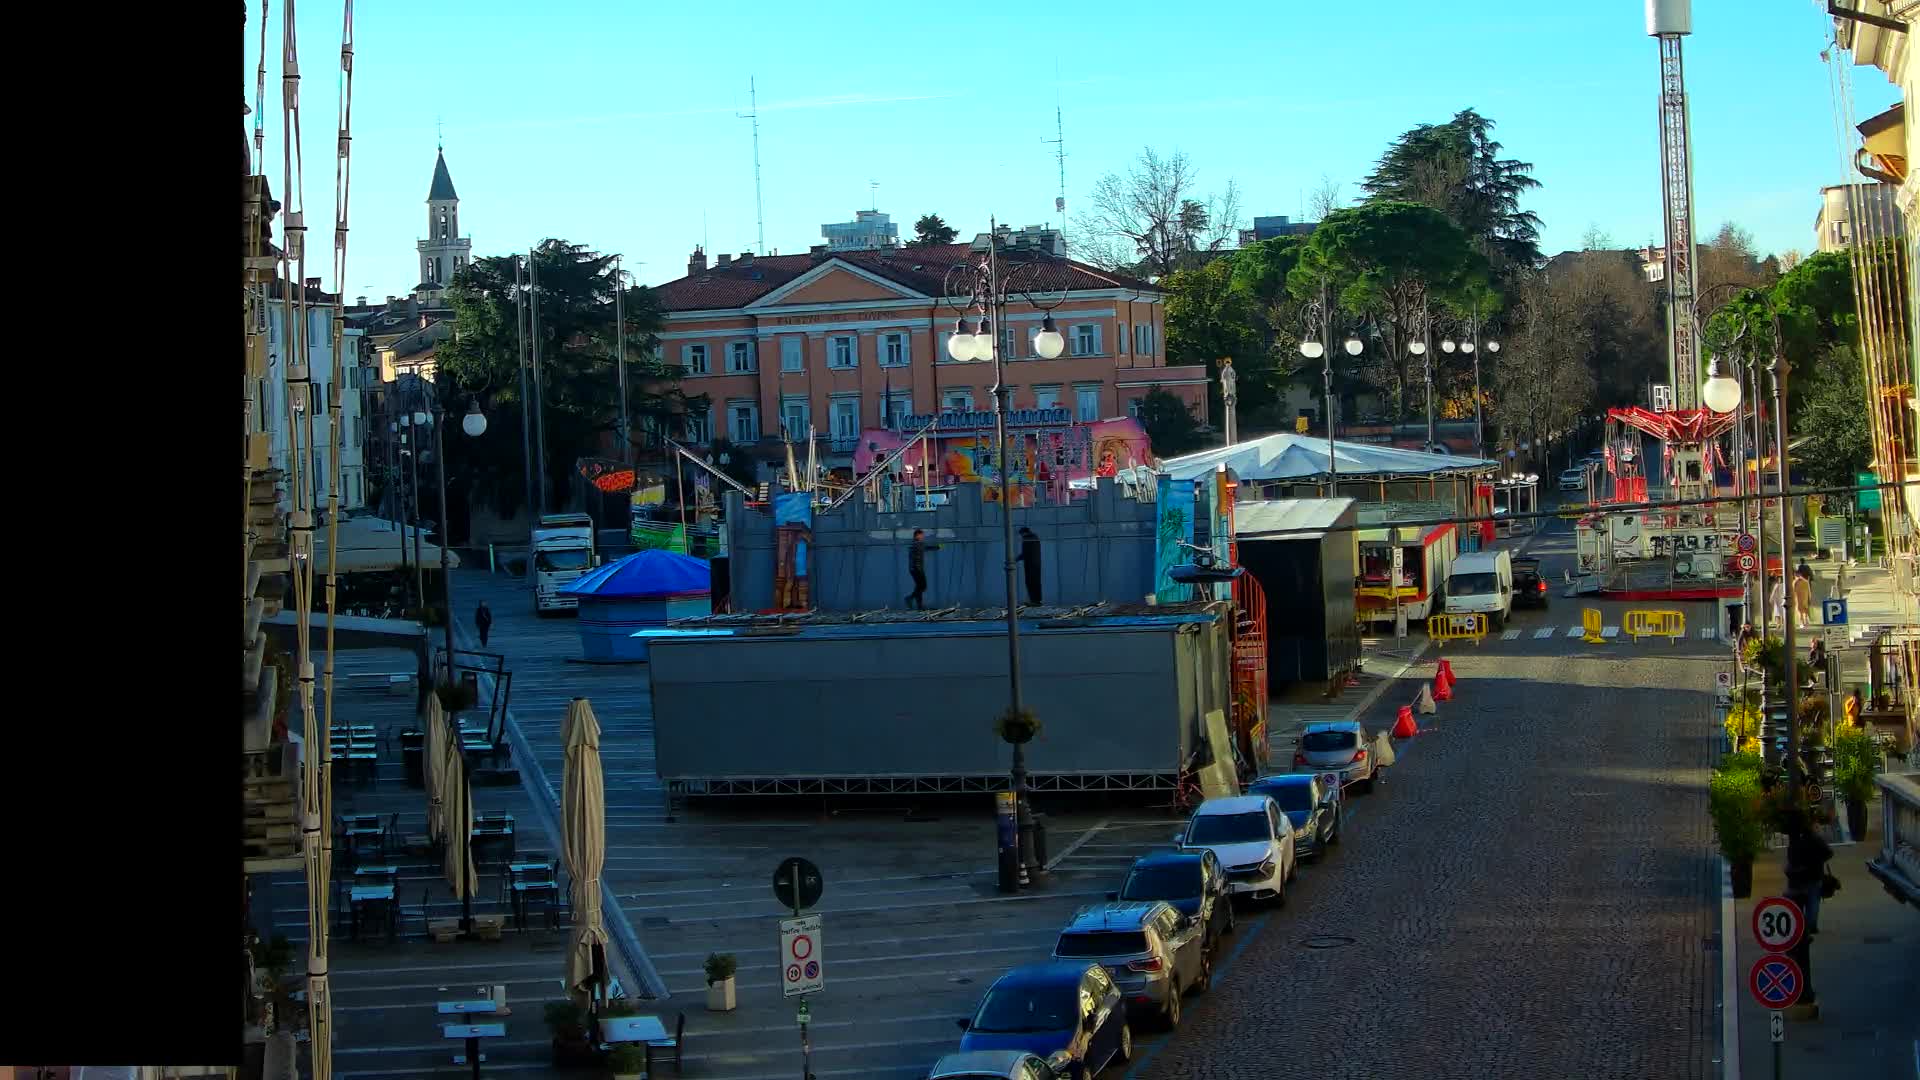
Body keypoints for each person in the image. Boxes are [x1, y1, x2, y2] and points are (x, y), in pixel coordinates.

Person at [1782, 807, 1834, 935]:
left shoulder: (1796, 842)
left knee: (1799, 901)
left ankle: (1800, 925)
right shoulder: (1816, 839)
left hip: (1798, 876)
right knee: (1813, 901)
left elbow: (1790, 858)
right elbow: (1828, 853)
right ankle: (1811, 926)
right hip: (1814, 874)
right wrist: (1819, 860)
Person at [905, 528, 940, 610]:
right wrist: (940, 546)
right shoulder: (919, 543)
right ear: (917, 535)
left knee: (919, 587)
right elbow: (928, 547)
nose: (923, 536)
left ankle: (919, 605)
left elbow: (926, 548)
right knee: (923, 586)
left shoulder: (915, 544)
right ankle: (910, 598)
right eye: (922, 535)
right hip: (917, 568)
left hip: (913, 569)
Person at [1015, 526, 1043, 606]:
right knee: (1035, 582)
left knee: (1031, 582)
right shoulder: (1034, 537)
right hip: (1036, 563)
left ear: (1024, 533)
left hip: (1030, 564)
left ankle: (1034, 601)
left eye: (1021, 534)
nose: (1021, 536)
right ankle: (1036, 600)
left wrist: (1016, 559)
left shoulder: (1027, 539)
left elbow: (1026, 553)